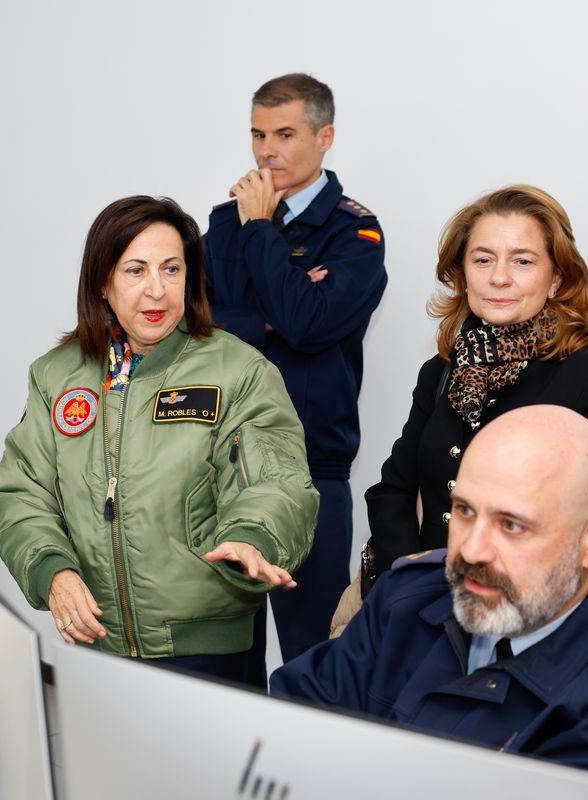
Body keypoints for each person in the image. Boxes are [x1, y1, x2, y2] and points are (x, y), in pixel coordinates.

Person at [272, 406, 588, 798]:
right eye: (465, 511)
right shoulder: (409, 595)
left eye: (511, 525)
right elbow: (289, 734)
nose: (472, 551)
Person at [0, 195, 319, 683]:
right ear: (103, 282)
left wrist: (252, 537)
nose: (157, 291)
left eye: (171, 270)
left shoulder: (239, 370)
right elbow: (21, 494)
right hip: (96, 647)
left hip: (208, 652)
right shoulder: (56, 376)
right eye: (135, 271)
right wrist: (53, 573)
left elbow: (277, 482)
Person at [360, 185, 588, 597]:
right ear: (463, 273)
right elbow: (391, 493)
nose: (499, 277)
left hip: (519, 613)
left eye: (522, 261)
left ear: (557, 278)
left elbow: (576, 529)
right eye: (483, 259)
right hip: (413, 604)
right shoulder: (441, 371)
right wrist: (412, 581)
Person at [203, 73, 388, 668]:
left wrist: (261, 231)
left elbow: (308, 323)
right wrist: (272, 318)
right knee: (225, 658)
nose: (266, 150)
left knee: (313, 658)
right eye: (258, 134)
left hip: (310, 468)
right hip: (220, 463)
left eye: (284, 133)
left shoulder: (354, 231)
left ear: (324, 136)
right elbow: (193, 325)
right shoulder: (224, 221)